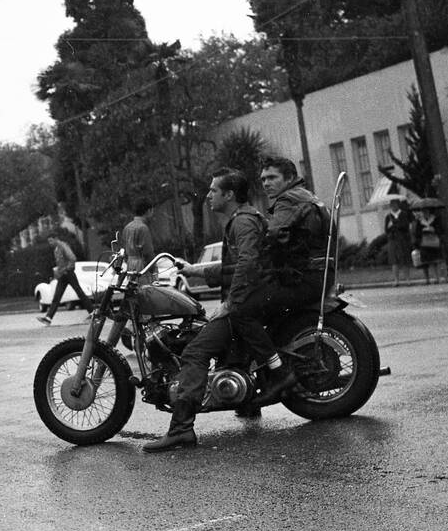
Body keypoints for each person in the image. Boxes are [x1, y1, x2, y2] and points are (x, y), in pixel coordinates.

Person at [143, 169, 266, 453]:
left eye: (213, 190)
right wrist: (195, 270)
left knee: (194, 352)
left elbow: (248, 265)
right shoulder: (243, 218)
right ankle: (247, 403)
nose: (208, 195)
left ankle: (181, 429)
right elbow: (232, 268)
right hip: (249, 301)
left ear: (229, 195)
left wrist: (230, 304)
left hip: (244, 304)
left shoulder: (242, 222)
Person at [224, 156, 329, 417]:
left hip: (303, 279)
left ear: (289, 177)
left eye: (272, 178)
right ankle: (258, 380)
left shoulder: (288, 199)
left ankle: (280, 373)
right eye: (263, 179)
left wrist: (254, 245)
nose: (266, 183)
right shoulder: (306, 195)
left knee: (241, 311)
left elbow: (273, 233)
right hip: (317, 276)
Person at [37, 231, 94, 325]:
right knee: (57, 297)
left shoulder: (63, 246)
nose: (50, 243)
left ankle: (93, 313)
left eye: (51, 241)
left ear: (56, 239)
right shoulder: (56, 249)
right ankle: (48, 318)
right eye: (49, 241)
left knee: (80, 293)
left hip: (69, 273)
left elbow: (73, 258)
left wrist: (67, 269)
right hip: (63, 275)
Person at [411, 206, 448, 285]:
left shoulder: (435, 219)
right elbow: (417, 233)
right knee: (430, 262)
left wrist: (434, 229)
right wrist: (423, 231)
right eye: (423, 211)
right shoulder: (419, 221)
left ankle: (443, 277)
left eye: (426, 211)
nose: (425, 213)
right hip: (425, 243)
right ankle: (435, 278)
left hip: (435, 241)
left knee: (438, 261)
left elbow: (441, 229)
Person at [123, 199, 156, 283]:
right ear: (148, 211)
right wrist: (153, 269)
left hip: (130, 265)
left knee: (132, 288)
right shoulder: (143, 228)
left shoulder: (127, 227)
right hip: (142, 266)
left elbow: (124, 251)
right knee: (145, 289)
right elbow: (148, 252)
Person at [384, 197, 413, 285]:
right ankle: (396, 280)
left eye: (395, 204)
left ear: (398, 204)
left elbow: (406, 226)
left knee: (405, 260)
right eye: (392, 204)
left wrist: (396, 224)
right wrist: (391, 226)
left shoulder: (403, 214)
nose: (393, 206)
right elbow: (386, 230)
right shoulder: (388, 217)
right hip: (393, 240)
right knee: (394, 261)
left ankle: (407, 279)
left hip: (402, 240)